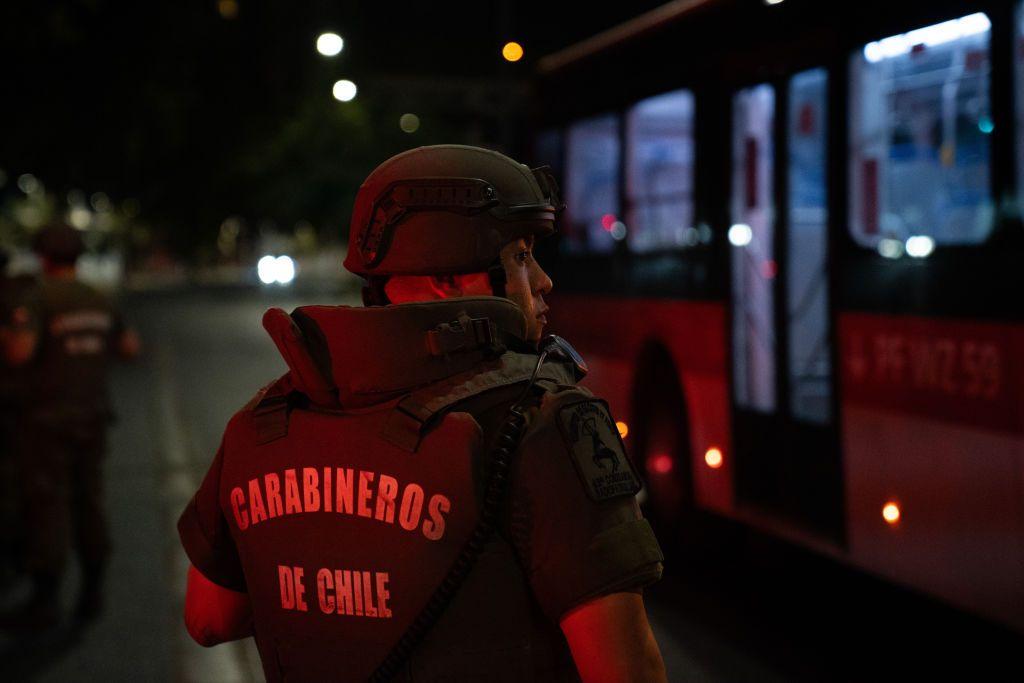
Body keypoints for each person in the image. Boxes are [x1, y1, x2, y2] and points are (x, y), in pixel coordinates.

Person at [178, 145, 668, 681]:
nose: (543, 282)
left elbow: (208, 618)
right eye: (522, 257)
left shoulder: (267, 416)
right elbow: (626, 671)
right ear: (451, 278)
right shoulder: (543, 418)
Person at [0, 223, 140, 628]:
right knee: (89, 502)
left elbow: (20, 353)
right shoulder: (97, 298)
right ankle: (92, 592)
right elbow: (129, 347)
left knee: (47, 506)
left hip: (45, 422)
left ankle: (45, 602)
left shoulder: (37, 296)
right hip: (91, 417)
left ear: (43, 257)